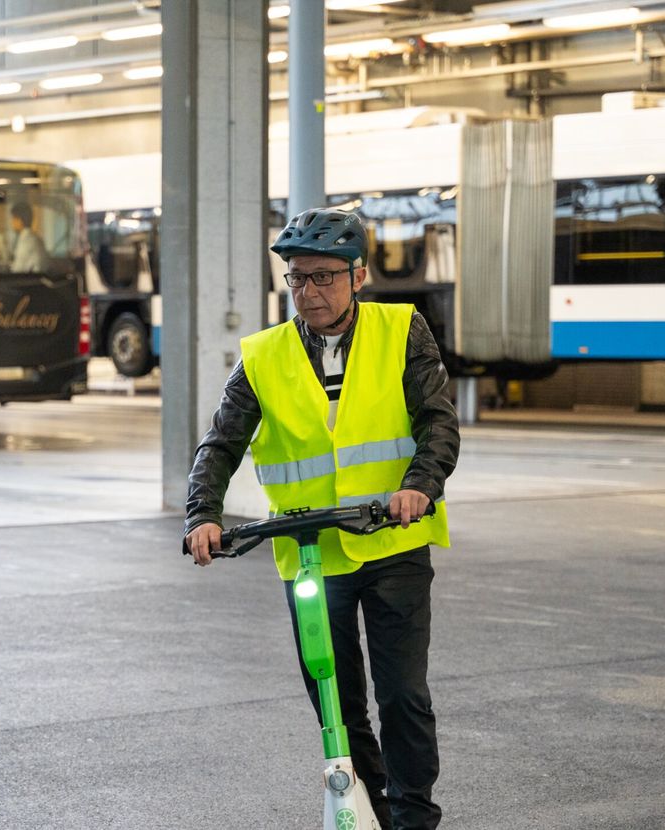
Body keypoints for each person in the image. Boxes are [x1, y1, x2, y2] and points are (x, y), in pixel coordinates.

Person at [184, 208, 460, 830]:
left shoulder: (401, 330)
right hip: (310, 553)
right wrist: (203, 512)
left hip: (392, 543)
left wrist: (419, 486)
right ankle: (371, 812)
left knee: (403, 695)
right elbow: (220, 442)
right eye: (297, 279)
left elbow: (437, 421)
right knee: (337, 703)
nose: (308, 292)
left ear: (358, 275)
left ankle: (415, 818)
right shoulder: (263, 356)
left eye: (323, 278)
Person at [10, 201, 48, 273]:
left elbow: (18, 270)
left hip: (31, 281)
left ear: (20, 220)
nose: (11, 222)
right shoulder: (34, 238)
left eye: (13, 218)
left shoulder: (26, 241)